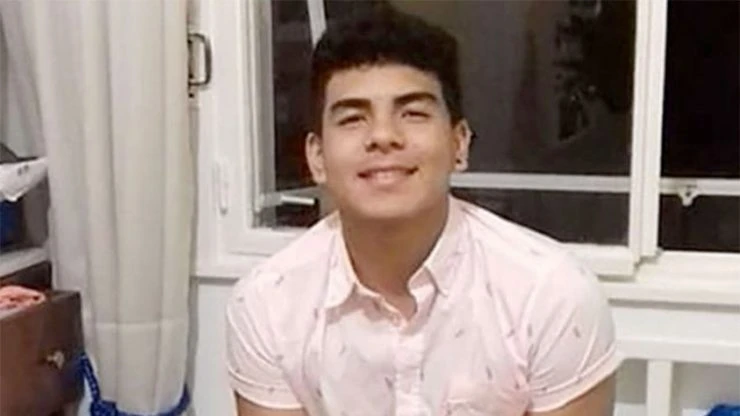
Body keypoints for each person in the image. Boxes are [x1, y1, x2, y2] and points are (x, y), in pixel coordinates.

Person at [226, 6, 622, 416]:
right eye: (353, 118)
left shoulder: (551, 296)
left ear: (459, 144)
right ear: (317, 157)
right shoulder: (268, 304)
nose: (383, 136)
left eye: (413, 113)